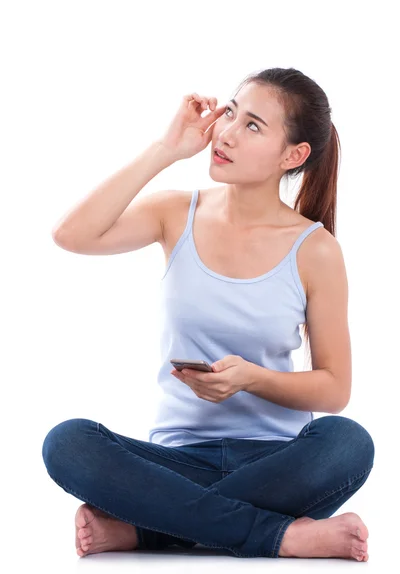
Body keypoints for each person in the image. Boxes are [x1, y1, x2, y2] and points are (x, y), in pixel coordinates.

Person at [42, 67, 375, 561]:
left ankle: (150, 530)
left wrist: (251, 378)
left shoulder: (315, 249)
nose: (227, 133)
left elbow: (334, 390)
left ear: (294, 155)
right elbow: (72, 235)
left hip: (279, 461)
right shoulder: (175, 212)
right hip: (173, 461)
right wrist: (165, 150)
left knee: (348, 443)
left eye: (254, 126)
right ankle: (279, 537)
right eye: (232, 114)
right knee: (67, 443)